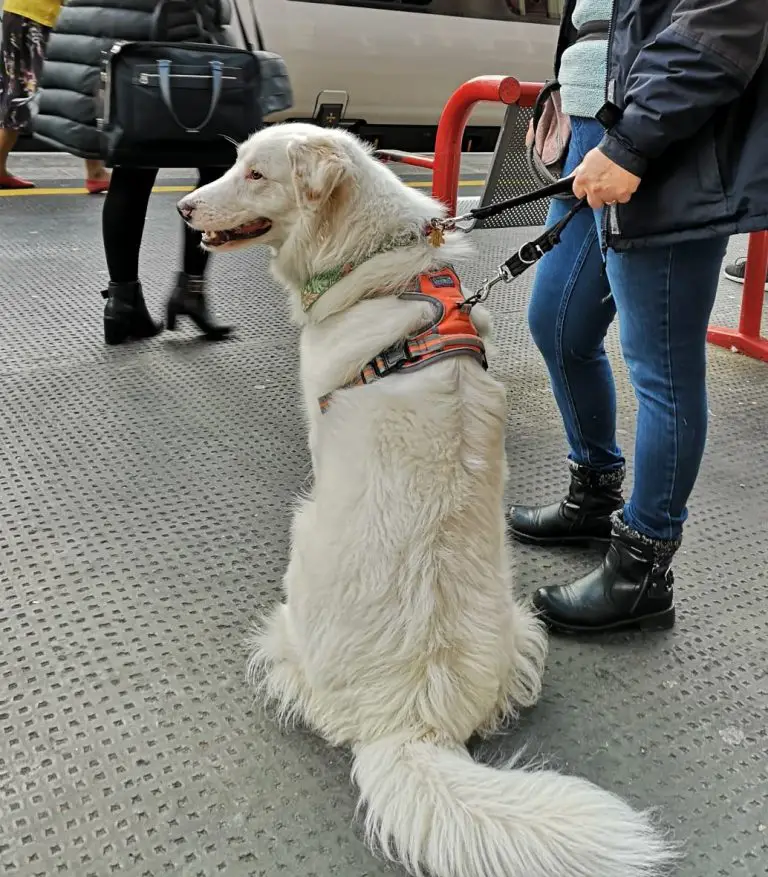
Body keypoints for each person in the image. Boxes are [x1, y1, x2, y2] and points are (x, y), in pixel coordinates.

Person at [508, 0, 768, 634]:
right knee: (557, 324)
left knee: (662, 365)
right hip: (596, 133)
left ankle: (643, 569)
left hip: (663, 141)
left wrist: (632, 140)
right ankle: (595, 494)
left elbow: (722, 22)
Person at [33, 0, 234, 344]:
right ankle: (191, 292)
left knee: (133, 169)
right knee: (217, 164)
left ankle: (123, 304)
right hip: (166, 46)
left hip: (119, 50)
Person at [0, 0, 109, 190]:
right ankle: (95, 172)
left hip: (18, 11)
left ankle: (95, 170)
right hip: (42, 17)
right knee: (81, 84)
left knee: (18, 90)